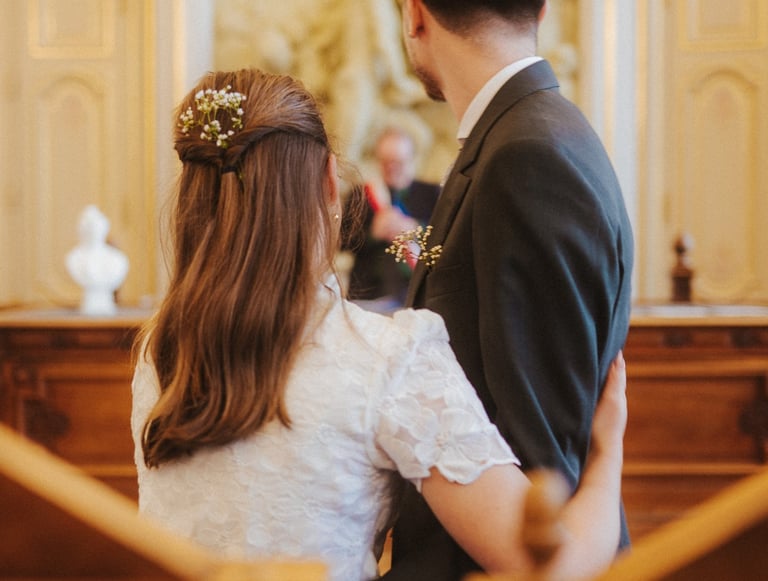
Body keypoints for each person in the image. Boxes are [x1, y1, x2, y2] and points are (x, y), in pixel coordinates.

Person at [130, 68, 627, 581]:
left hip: (392, 299)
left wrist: (406, 235)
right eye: (386, 158)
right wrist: (375, 228)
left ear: (411, 157)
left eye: (400, 158)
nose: (393, 165)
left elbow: (436, 258)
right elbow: (332, 252)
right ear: (331, 177)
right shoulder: (359, 207)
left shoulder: (430, 198)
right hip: (366, 309)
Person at [386, 1, 635, 579]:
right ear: (543, 8)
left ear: (415, 14)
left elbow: (543, 474)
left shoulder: (526, 156)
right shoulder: (519, 134)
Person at [345, 127, 440, 309]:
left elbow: (445, 239)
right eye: (386, 162)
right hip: (369, 292)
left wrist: (415, 228)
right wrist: (373, 233)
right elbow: (343, 243)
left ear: (412, 159)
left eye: (398, 162)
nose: (392, 168)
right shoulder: (361, 195)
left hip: (419, 293)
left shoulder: (431, 193)